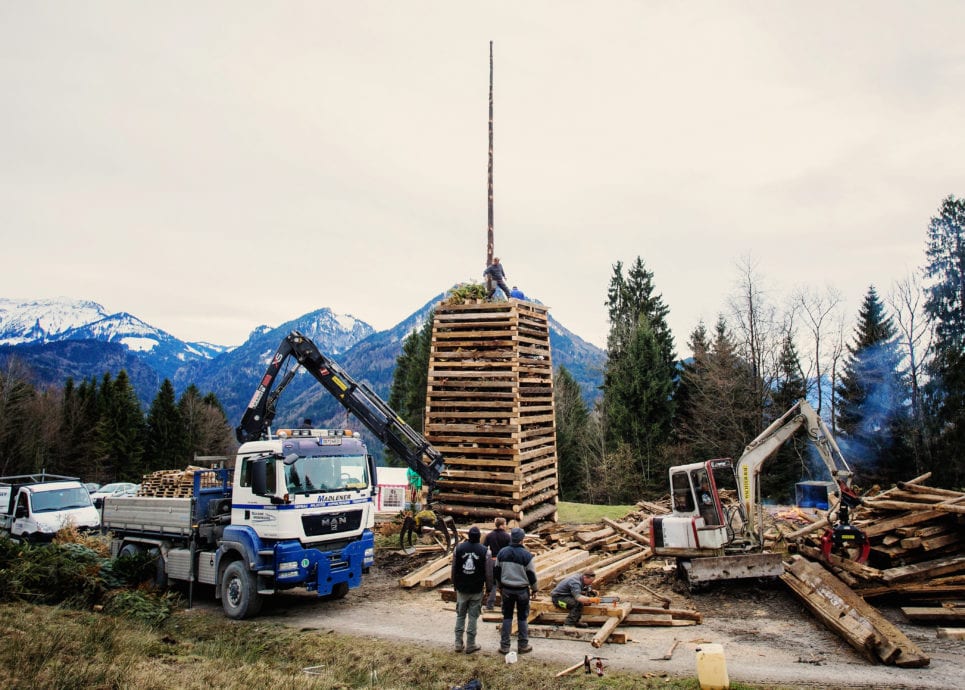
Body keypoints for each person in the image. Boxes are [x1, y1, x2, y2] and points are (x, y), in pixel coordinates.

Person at [494, 527, 537, 655]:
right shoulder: (527, 555)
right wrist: (535, 589)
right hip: (522, 590)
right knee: (522, 618)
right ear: (522, 540)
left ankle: (504, 646)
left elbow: (496, 571)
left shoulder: (502, 553)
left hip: (507, 589)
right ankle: (523, 645)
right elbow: (531, 575)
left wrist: (499, 586)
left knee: (507, 617)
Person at [451, 526, 492, 654]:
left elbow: (454, 568)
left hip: (462, 588)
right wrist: (489, 588)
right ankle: (471, 644)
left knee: (460, 616)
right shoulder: (485, 551)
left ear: (468, 536)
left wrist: (455, 584)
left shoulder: (458, 548)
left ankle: (458, 644)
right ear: (479, 537)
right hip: (476, 588)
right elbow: (488, 572)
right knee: (473, 617)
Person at [482, 517, 511, 610]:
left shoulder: (490, 535)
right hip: (503, 562)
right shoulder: (507, 536)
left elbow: (484, 548)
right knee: (504, 584)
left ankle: (490, 605)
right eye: (505, 524)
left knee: (493, 584)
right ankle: (505, 606)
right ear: (502, 525)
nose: (506, 526)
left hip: (493, 561)